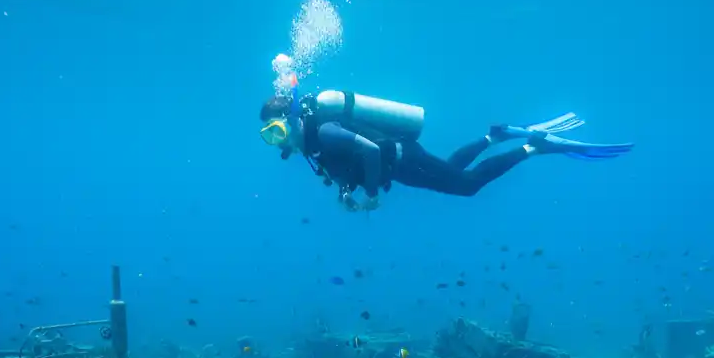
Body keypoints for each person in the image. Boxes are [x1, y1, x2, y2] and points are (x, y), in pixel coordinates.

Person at [258, 89, 633, 211]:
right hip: (403, 165)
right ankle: (494, 137)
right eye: (268, 137)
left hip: (403, 159)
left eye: (276, 131)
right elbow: (347, 168)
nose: (277, 141)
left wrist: (370, 192)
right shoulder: (312, 146)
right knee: (453, 170)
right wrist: (346, 191)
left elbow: (370, 152)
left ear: (290, 119)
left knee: (467, 186)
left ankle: (535, 148)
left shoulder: (323, 132)